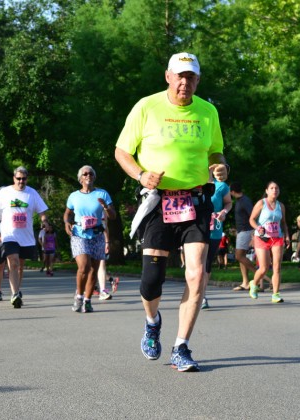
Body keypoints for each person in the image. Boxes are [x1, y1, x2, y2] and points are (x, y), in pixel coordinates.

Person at [114, 52, 228, 372]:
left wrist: (219, 163)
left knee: (196, 275)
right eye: (179, 75)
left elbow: (215, 149)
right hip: (158, 201)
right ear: (168, 76)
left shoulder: (207, 112)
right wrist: (140, 174)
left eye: (190, 77)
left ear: (197, 81)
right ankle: (152, 322)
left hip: (195, 202)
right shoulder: (146, 107)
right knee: (152, 281)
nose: (184, 82)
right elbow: (122, 151)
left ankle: (182, 347)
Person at [0, 167, 49, 308]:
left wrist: (44, 221)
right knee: (13, 262)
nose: (21, 181)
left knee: (20, 266)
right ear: (14, 178)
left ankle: (17, 289)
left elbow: (42, 210)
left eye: (23, 179)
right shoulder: (4, 193)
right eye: (18, 178)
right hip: (8, 235)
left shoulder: (32, 193)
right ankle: (15, 294)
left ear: (26, 179)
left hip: (25, 236)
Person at [64, 165, 116, 313]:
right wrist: (67, 223)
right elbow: (67, 213)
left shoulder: (102, 194)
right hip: (79, 234)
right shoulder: (74, 196)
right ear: (80, 178)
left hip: (97, 234)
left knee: (93, 269)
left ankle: (87, 300)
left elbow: (113, 216)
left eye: (91, 174)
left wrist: (105, 206)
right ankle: (79, 296)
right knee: (84, 266)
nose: (88, 176)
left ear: (94, 177)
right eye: (85, 174)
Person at [248, 181, 290, 303]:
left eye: (277, 188)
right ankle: (254, 283)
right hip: (262, 238)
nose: (274, 190)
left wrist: (287, 235)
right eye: (271, 188)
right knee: (264, 268)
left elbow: (283, 223)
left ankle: (276, 294)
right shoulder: (261, 203)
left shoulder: (281, 206)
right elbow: (251, 219)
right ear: (267, 191)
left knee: (277, 267)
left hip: (277, 238)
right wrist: (258, 228)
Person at [230, 182, 271, 292]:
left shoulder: (245, 201)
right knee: (242, 257)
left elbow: (253, 216)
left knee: (239, 256)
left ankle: (264, 277)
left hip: (247, 231)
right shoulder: (240, 201)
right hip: (241, 231)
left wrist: (254, 234)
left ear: (232, 192)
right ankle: (246, 283)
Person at [201, 180, 232, 310]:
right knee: (196, 262)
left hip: (214, 229)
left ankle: (202, 295)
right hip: (195, 227)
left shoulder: (221, 186)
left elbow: (228, 203)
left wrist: (223, 212)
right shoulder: (192, 179)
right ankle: (195, 294)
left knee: (206, 262)